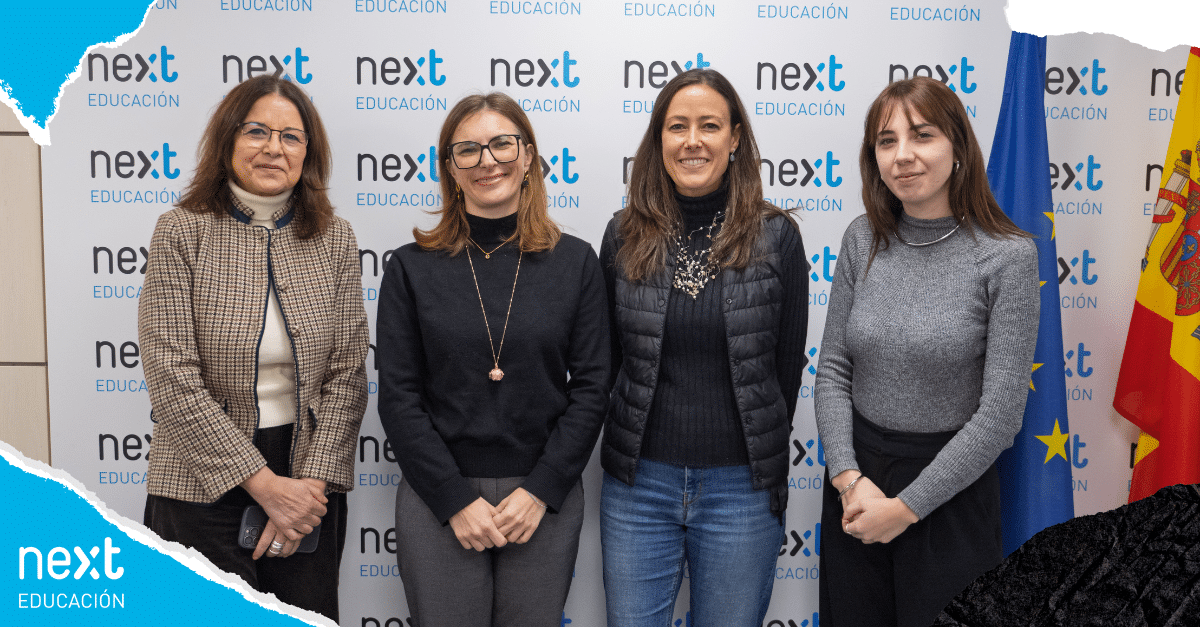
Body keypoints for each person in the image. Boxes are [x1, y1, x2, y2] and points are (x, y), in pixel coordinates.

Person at [139, 75, 368, 621]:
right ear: (228, 141)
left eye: (291, 136)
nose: (273, 148)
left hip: (308, 480)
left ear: (308, 153)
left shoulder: (335, 237)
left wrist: (306, 490)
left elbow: (347, 373)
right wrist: (264, 487)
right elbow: (171, 374)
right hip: (196, 481)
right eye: (257, 131)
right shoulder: (181, 231)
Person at [375, 92, 609, 627]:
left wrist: (541, 490)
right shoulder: (410, 269)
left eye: (502, 144)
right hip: (439, 498)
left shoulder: (574, 262)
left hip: (541, 501)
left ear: (528, 157)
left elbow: (594, 387)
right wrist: (455, 499)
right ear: (450, 168)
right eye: (468, 150)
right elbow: (399, 397)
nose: (488, 161)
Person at [814, 76, 1040, 627]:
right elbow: (833, 371)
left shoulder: (1008, 256)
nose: (903, 155)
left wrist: (906, 509)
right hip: (857, 495)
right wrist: (849, 477)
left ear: (958, 147)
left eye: (922, 135)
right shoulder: (861, 238)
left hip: (950, 500)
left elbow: (1001, 414)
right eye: (886, 141)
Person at [599, 68, 808, 627]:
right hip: (638, 487)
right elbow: (610, 363)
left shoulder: (777, 237)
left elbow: (785, 372)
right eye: (678, 127)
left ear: (735, 138)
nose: (693, 141)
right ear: (659, 141)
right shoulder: (623, 235)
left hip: (740, 488)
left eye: (709, 126)